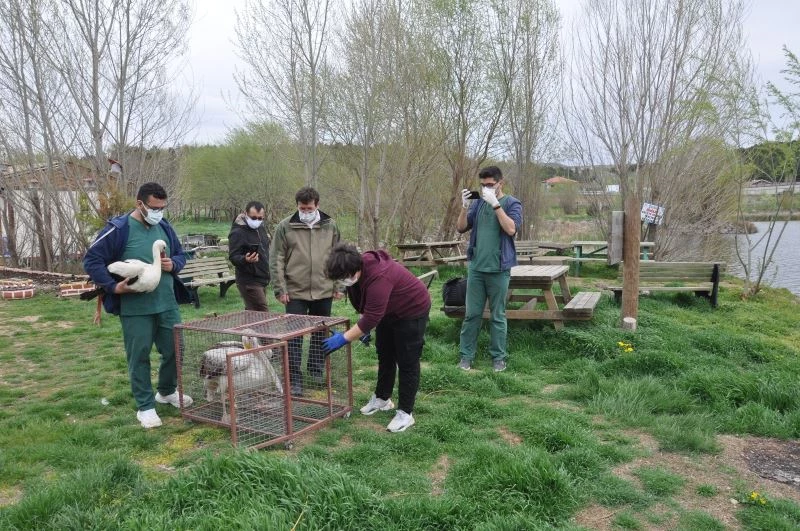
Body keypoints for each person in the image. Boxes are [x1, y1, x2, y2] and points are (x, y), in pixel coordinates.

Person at [83, 182, 193, 429]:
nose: (159, 212)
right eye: (154, 207)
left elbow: (181, 255)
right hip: (136, 308)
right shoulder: (119, 229)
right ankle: (145, 407)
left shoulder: (164, 226)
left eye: (163, 207)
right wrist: (112, 288)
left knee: (176, 349)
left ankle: (166, 391)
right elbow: (92, 260)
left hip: (166, 303)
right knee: (139, 355)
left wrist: (173, 264)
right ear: (140, 204)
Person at [322, 243, 431, 433]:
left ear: (356, 269)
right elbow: (370, 309)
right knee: (385, 354)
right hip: (388, 311)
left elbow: (372, 316)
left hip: (411, 310)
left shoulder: (379, 276)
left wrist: (345, 338)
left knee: (407, 361)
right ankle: (382, 399)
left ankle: (406, 413)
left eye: (343, 278)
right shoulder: (356, 271)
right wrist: (363, 329)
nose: (342, 282)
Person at [269, 186, 342, 396]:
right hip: (295, 291)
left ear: (317, 205)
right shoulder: (285, 226)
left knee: (321, 331)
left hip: (324, 288)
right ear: (297, 206)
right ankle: (293, 379)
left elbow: (339, 256)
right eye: (302, 208)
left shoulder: (330, 226)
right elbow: (276, 259)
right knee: (294, 336)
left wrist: (339, 285)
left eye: (309, 208)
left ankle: (316, 369)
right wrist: (280, 288)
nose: (306, 211)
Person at [456, 165, 523, 372]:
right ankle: (466, 357)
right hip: (476, 268)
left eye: (490, 185)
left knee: (497, 315)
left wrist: (496, 205)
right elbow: (460, 228)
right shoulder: (477, 204)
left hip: (499, 269)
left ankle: (498, 358)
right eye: (483, 185)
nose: (486, 189)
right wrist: (465, 206)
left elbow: (511, 229)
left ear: (500, 183)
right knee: (471, 315)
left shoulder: (512, 203)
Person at [228, 201, 271, 311]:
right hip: (248, 280)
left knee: (252, 313)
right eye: (253, 217)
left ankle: (245, 329)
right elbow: (233, 257)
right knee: (261, 313)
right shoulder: (237, 232)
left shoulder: (261, 228)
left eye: (260, 218)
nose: (257, 221)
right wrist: (245, 259)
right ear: (245, 214)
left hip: (262, 277)